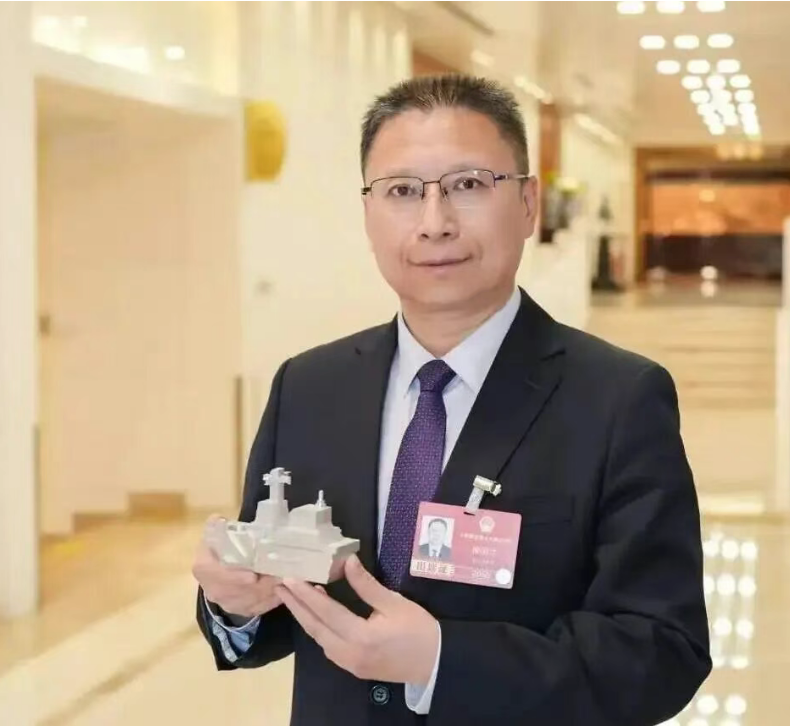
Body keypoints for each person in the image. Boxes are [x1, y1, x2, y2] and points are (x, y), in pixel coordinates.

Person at [193, 74, 711, 725]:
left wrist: (442, 660)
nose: (434, 223)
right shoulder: (309, 386)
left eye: (468, 185)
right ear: (367, 214)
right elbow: (271, 602)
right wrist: (233, 605)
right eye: (402, 191)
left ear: (528, 203)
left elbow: (661, 650)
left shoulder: (617, 399)